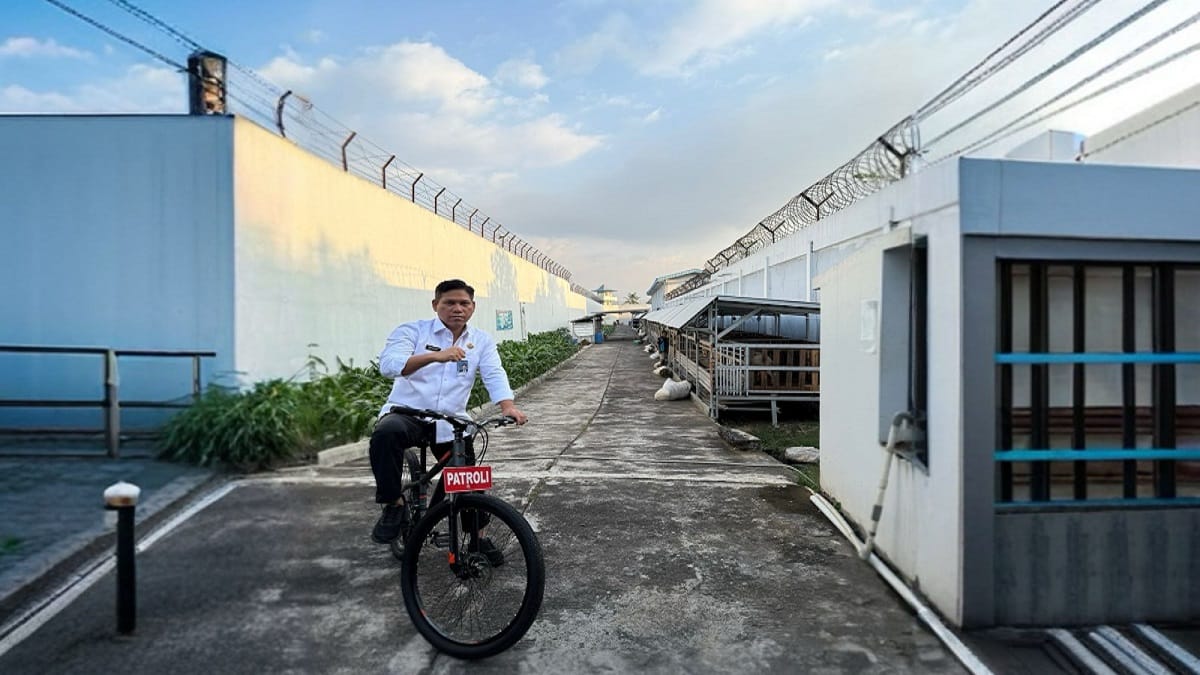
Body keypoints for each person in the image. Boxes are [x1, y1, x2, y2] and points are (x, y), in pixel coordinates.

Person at [369, 279, 528, 545]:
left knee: (467, 474)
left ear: (473, 307)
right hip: (409, 415)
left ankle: (478, 538)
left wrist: (507, 406)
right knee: (385, 434)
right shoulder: (413, 331)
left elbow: (493, 373)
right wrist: (435, 356)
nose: (457, 308)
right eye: (449, 303)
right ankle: (394, 504)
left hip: (450, 421)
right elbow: (389, 365)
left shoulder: (481, 341)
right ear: (436, 305)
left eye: (464, 303)